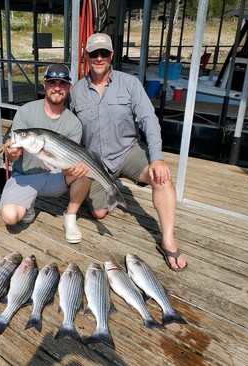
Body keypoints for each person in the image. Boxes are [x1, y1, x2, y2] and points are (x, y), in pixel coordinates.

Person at [70, 33, 187, 271]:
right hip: (96, 161)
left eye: (104, 53)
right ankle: (110, 191)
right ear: (87, 56)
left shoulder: (130, 83)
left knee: (162, 178)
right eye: (94, 54)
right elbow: (68, 129)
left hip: (128, 152)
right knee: (100, 213)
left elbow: (149, 120)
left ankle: (167, 241)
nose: (99, 58)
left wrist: (157, 158)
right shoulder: (75, 91)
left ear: (112, 55)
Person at [0, 64, 91, 244]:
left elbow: (67, 167)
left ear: (69, 87)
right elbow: (11, 154)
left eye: (62, 83)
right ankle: (29, 206)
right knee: (9, 217)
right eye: (52, 83)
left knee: (86, 171)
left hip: (56, 176)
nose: (57, 88)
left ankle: (70, 216)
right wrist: (12, 153)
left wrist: (76, 169)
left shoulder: (74, 123)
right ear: (44, 84)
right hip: (25, 177)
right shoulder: (26, 111)